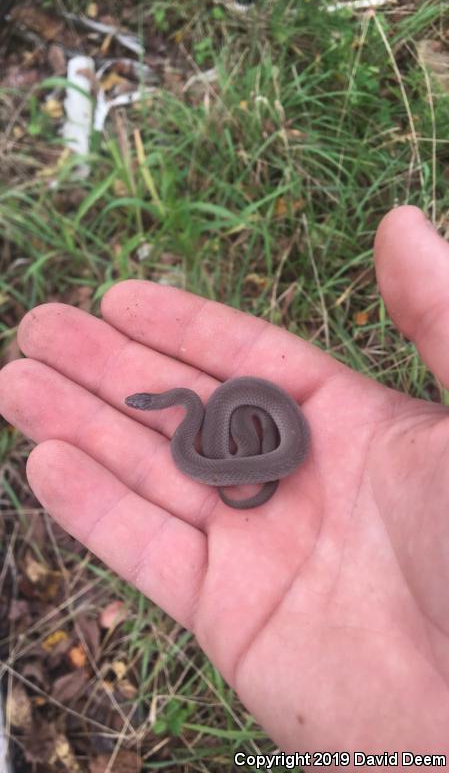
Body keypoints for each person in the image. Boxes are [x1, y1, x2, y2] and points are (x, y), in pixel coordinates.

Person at [1, 205, 449, 768]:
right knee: (235, 434)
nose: (142, 405)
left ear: (157, 404)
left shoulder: (200, 415)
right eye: (143, 403)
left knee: (238, 434)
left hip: (256, 436)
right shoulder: (195, 421)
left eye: (144, 403)